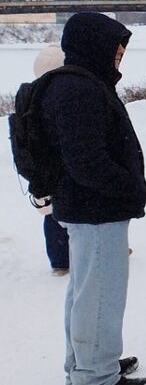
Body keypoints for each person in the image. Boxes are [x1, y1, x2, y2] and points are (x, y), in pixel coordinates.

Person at [39, 12, 146, 385]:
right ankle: (94, 379)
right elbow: (87, 160)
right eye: (115, 43)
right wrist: (130, 188)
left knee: (87, 289)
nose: (120, 51)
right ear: (93, 43)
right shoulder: (78, 89)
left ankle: (89, 363)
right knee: (100, 292)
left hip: (88, 206)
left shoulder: (80, 83)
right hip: (96, 207)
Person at [30, 44, 70, 277]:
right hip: (61, 164)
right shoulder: (62, 96)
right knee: (81, 210)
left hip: (40, 168)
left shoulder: (32, 95)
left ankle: (59, 260)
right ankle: (99, 251)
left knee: (51, 212)